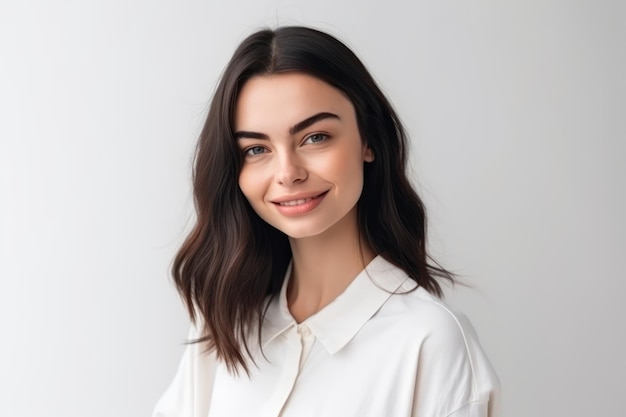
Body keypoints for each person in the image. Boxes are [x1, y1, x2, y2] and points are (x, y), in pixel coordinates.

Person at [153, 26, 500, 417]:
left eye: (315, 137)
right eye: (256, 149)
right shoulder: (224, 323)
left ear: (368, 140)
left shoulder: (430, 341)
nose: (287, 173)